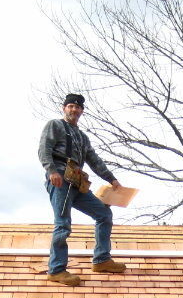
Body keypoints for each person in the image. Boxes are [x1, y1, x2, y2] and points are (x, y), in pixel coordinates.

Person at [38, 93, 126, 286]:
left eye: (77, 107)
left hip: (77, 182)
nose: (74, 110)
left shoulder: (82, 137)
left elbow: (94, 160)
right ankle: (56, 270)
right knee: (63, 224)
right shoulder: (55, 125)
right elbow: (44, 148)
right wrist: (52, 170)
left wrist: (111, 179)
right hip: (60, 177)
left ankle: (102, 259)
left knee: (104, 214)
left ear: (82, 111)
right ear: (64, 108)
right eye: (70, 106)